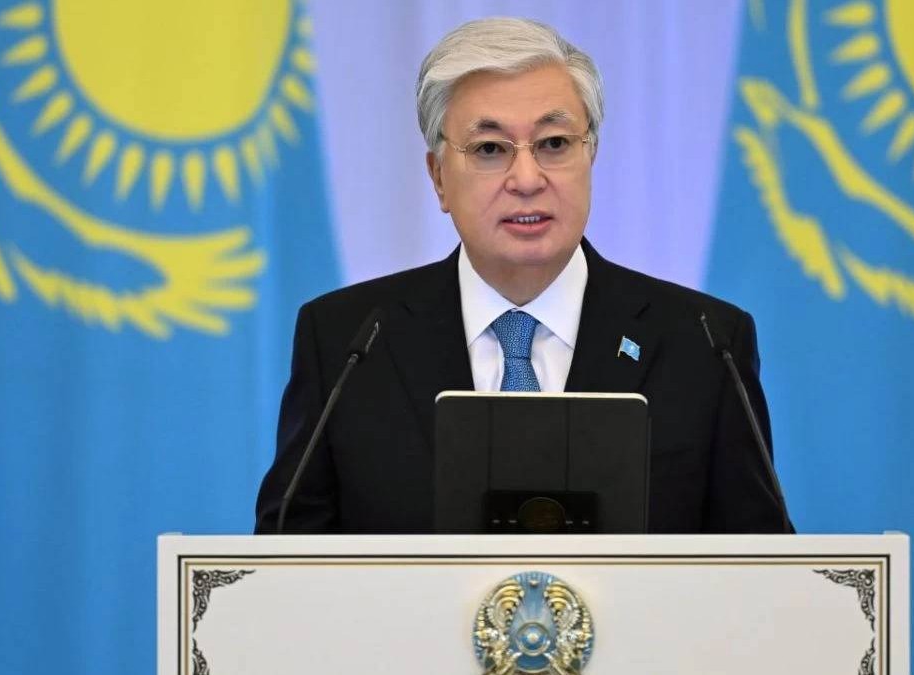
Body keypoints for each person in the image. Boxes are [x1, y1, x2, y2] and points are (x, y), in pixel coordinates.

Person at [255, 17, 792, 534]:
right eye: (490, 149)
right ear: (439, 177)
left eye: (554, 144)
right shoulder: (348, 342)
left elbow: (764, 568)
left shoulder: (706, 343)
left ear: (591, 155)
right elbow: (284, 559)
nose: (527, 179)